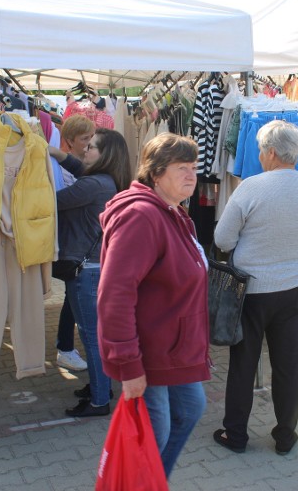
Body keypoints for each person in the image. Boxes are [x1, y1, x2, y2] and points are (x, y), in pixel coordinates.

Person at [212, 120, 298, 456]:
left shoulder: (251, 188)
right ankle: (285, 436)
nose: (260, 156)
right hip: (293, 288)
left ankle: (235, 435)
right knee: (287, 365)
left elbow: (223, 238)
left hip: (250, 289)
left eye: (262, 150)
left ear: (272, 152)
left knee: (243, 363)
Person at [98, 133, 209, 477]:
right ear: (157, 172)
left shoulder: (173, 212)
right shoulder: (142, 217)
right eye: (181, 168)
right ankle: (146, 482)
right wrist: (128, 365)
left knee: (190, 408)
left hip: (173, 349)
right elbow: (115, 294)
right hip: (149, 353)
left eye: (193, 167)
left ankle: (154, 481)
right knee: (154, 434)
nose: (191, 175)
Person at [48, 128, 132, 418]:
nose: (85, 150)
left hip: (86, 271)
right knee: (97, 334)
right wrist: (56, 153)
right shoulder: (110, 181)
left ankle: (98, 401)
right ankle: (102, 387)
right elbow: (80, 168)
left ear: (105, 155)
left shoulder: (94, 185)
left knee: (91, 336)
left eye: (93, 147)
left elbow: (51, 202)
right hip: (97, 267)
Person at [54, 115, 97, 371]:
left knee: (75, 296)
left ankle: (67, 347)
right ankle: (66, 347)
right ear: (69, 141)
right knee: (74, 295)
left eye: (91, 137)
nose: (89, 143)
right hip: (73, 242)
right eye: (84, 139)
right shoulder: (60, 167)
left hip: (83, 240)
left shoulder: (86, 164)